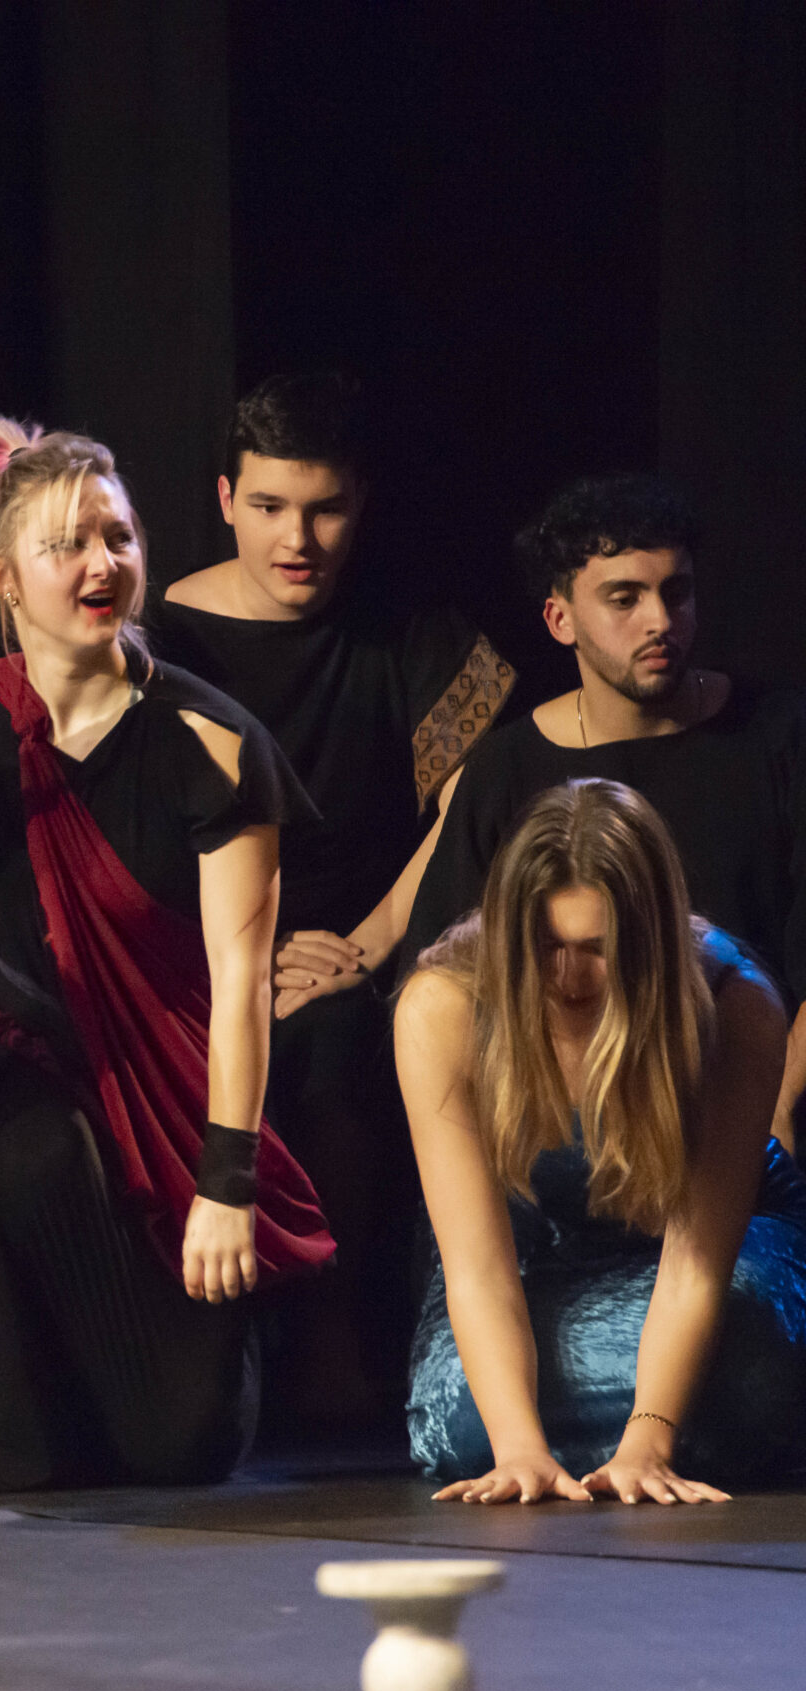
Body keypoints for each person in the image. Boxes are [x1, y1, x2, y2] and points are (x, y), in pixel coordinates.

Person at [0, 416, 334, 1490]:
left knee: (185, 1445)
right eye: (66, 544)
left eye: (117, 537)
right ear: (2, 575)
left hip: (173, 1107)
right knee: (20, 1138)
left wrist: (226, 1182)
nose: (101, 564)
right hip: (17, 1074)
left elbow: (240, 980)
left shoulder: (212, 741)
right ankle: (21, 1426)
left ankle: (104, 1407)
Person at [149, 373, 516, 1427]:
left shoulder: (405, 625)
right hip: (207, 943)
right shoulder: (162, 635)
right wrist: (244, 959)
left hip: (373, 943)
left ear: (361, 502)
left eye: (325, 508)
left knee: (348, 1041)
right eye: (269, 506)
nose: (297, 538)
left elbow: (476, 800)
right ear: (226, 498)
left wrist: (361, 944)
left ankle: (332, 1342)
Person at [398, 779, 806, 1499]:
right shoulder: (444, 1005)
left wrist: (649, 1441)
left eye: (598, 948)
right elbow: (478, 1269)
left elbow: (694, 1268)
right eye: (546, 945)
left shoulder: (735, 1004)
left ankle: (646, 1430)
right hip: (532, 1256)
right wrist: (519, 1449)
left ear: (650, 941)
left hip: (704, 1254)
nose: (567, 976)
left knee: (751, 1380)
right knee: (463, 1426)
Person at [405, 474, 806, 1149]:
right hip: (565, 1134)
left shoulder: (779, 735)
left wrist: (775, 1105)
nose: (660, 621)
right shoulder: (507, 768)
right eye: (625, 598)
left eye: (676, 592)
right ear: (559, 619)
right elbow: (445, 977)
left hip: (751, 1107)